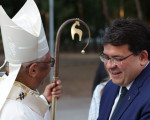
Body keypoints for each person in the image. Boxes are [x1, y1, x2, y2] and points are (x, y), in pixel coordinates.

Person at [0, 0, 62, 120]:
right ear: (33, 70)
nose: (50, 67)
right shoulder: (18, 115)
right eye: (50, 62)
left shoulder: (7, 92)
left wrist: (44, 100)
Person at [97, 18, 150, 120]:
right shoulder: (110, 87)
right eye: (106, 57)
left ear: (143, 57)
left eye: (117, 59)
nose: (109, 66)